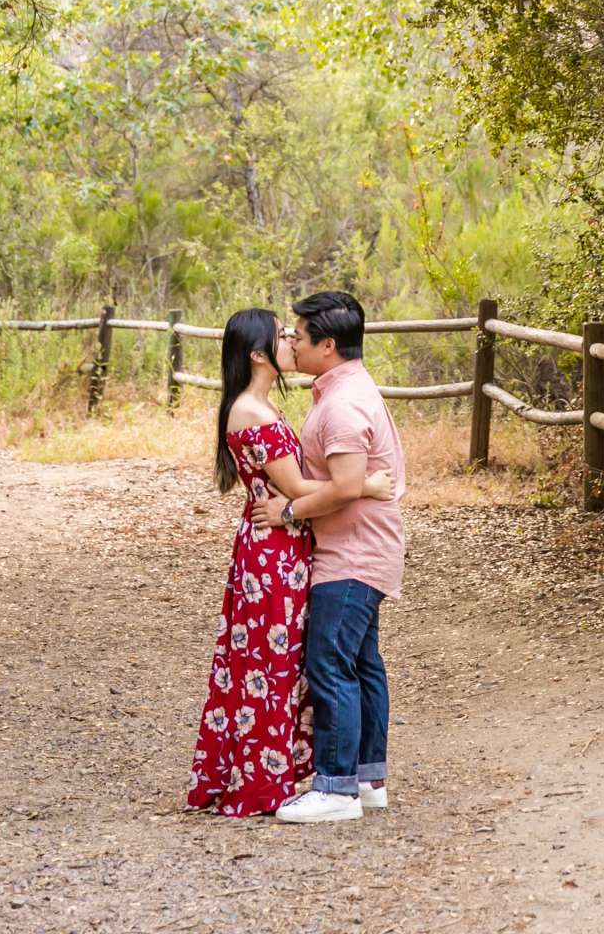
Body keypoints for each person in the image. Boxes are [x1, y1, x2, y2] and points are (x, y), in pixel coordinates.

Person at [188, 308, 394, 817]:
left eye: (293, 333)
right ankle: (277, 780)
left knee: (297, 662)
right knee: (272, 662)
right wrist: (364, 484)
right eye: (282, 335)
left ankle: (329, 777)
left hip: (289, 544)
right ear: (259, 355)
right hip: (273, 548)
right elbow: (298, 489)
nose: (289, 341)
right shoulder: (252, 412)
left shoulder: (265, 406)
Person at [251, 290, 406, 824]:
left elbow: (342, 487)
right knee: (362, 664)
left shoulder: (341, 404)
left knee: (329, 663)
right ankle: (368, 778)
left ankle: (336, 788)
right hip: (364, 546)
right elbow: (350, 483)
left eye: (298, 334)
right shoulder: (346, 390)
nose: (291, 340)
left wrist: (289, 510)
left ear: (328, 345)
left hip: (352, 553)